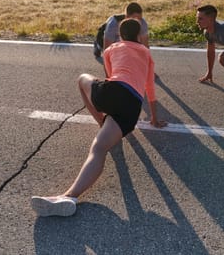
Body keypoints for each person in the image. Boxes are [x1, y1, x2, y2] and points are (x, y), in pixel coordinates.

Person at [32, 19, 167, 217]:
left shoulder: (111, 49)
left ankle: (101, 122)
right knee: (100, 148)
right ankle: (70, 196)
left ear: (120, 35)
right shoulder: (146, 53)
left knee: (81, 79)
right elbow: (149, 88)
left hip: (111, 93)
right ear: (139, 36)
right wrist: (154, 119)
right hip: (132, 108)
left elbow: (110, 75)